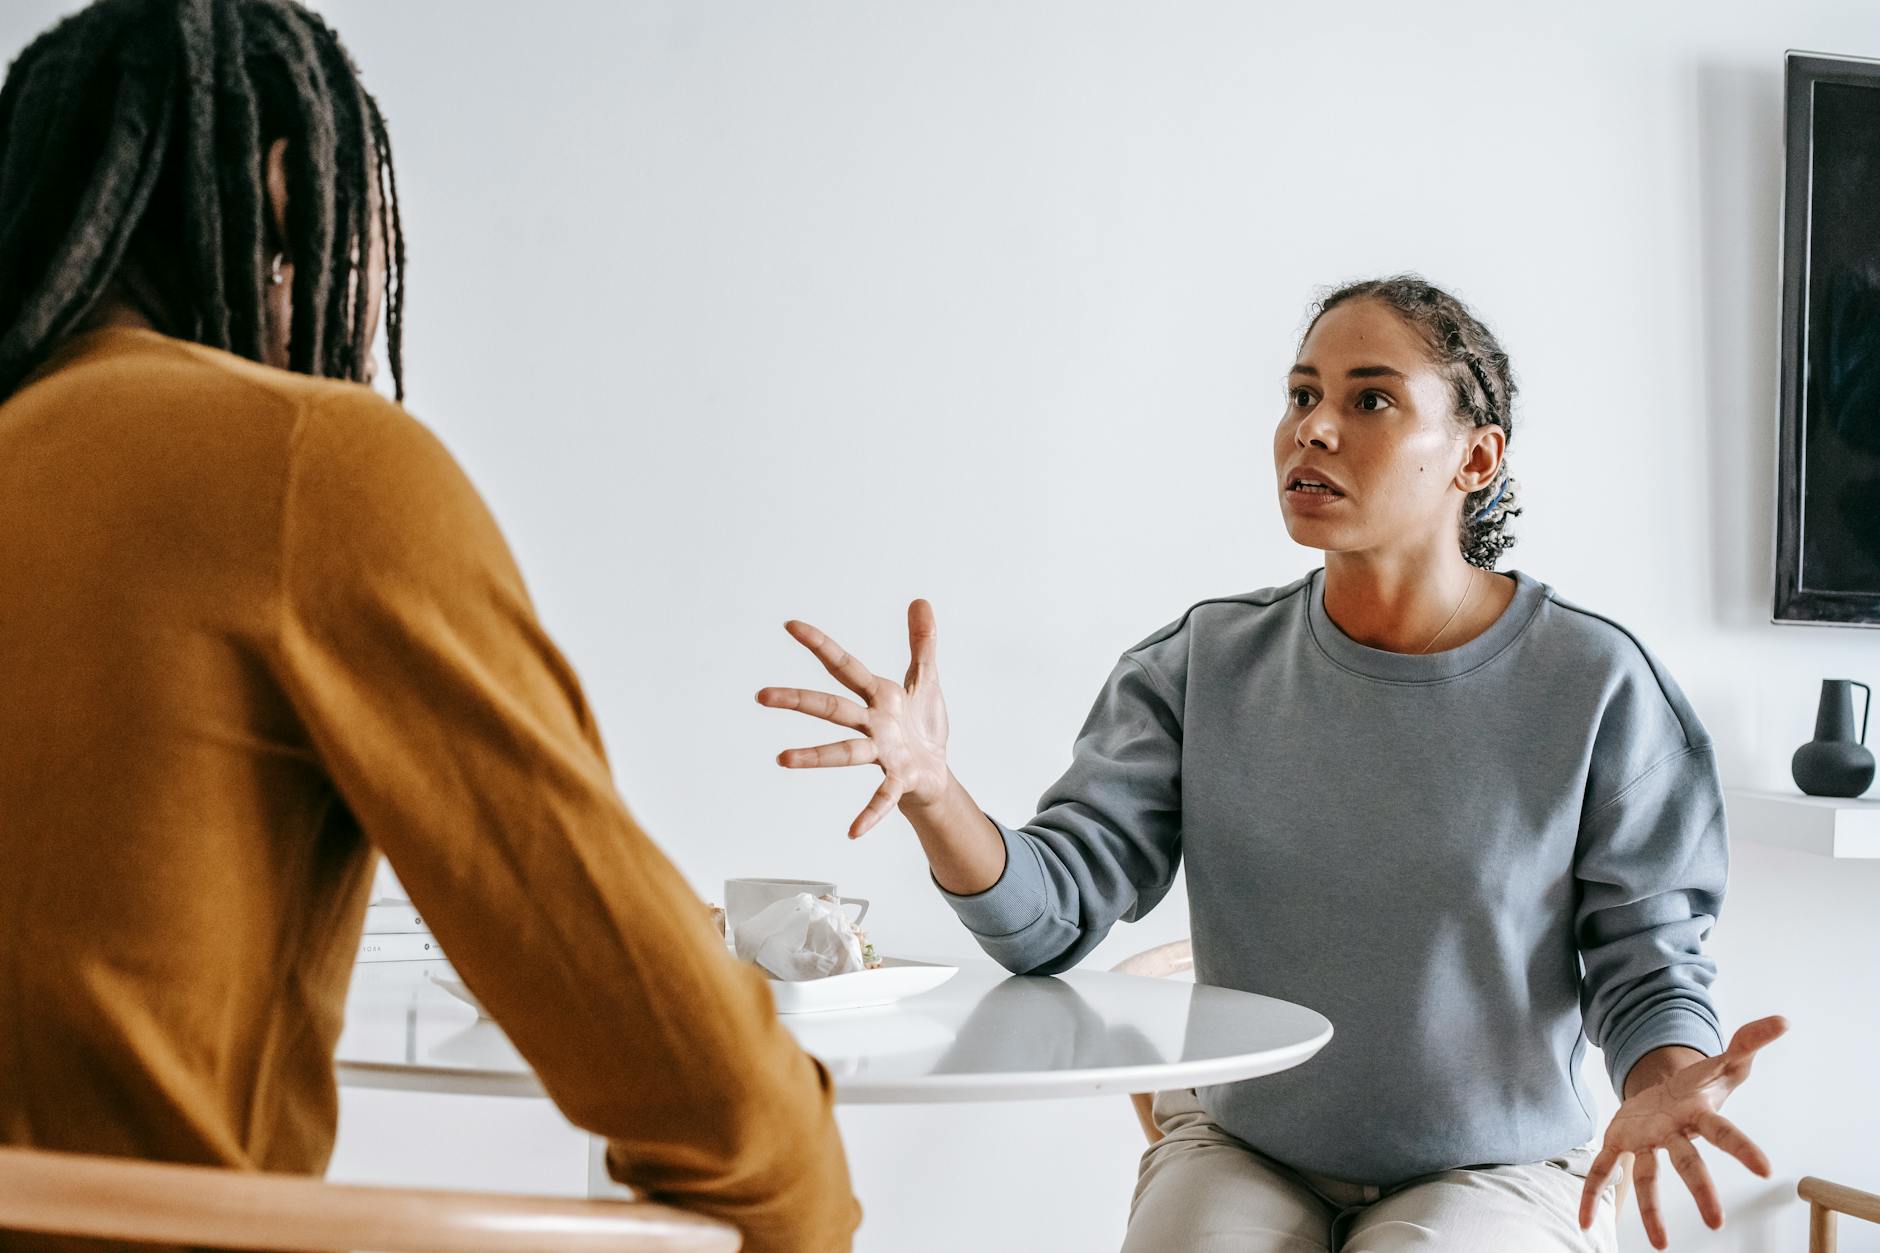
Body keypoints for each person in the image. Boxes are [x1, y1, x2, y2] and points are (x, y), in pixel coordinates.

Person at [0, 3, 858, 1250]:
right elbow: (703, 1083)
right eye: (364, 252)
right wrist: (813, 1211)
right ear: (288, 196)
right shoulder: (305, 469)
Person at [760, 275, 1785, 1252]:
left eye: (1369, 398)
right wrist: (939, 793)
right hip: (1250, 1146)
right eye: (1301, 394)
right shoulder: (1202, 664)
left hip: (1497, 1165)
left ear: (1475, 458)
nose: (1314, 427)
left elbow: (1644, 957)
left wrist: (1662, 1078)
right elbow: (1049, 920)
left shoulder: (1595, 682)